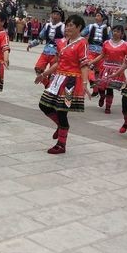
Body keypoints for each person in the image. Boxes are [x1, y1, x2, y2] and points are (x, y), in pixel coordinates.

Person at [35, 14, 90, 154]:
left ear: (79, 28)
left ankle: (61, 144)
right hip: (58, 79)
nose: (68, 28)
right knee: (44, 105)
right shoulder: (62, 42)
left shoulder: (82, 43)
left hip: (71, 81)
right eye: (67, 25)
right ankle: (60, 127)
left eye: (72, 25)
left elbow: (84, 65)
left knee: (61, 111)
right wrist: (44, 75)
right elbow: (58, 63)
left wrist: (84, 83)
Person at [91, 25, 127, 114]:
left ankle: (108, 107)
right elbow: (102, 55)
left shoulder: (125, 45)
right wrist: (91, 62)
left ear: (122, 34)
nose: (115, 33)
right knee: (101, 87)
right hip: (105, 67)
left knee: (110, 88)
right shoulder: (106, 43)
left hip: (117, 69)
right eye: (114, 31)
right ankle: (102, 96)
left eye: (118, 31)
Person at [82, 12, 110, 97]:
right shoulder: (90, 26)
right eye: (96, 15)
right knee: (88, 66)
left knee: (98, 72)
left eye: (98, 15)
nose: (96, 17)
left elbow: (110, 40)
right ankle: (92, 81)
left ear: (103, 18)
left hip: (102, 52)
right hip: (91, 50)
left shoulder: (108, 29)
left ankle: (96, 90)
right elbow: (82, 33)